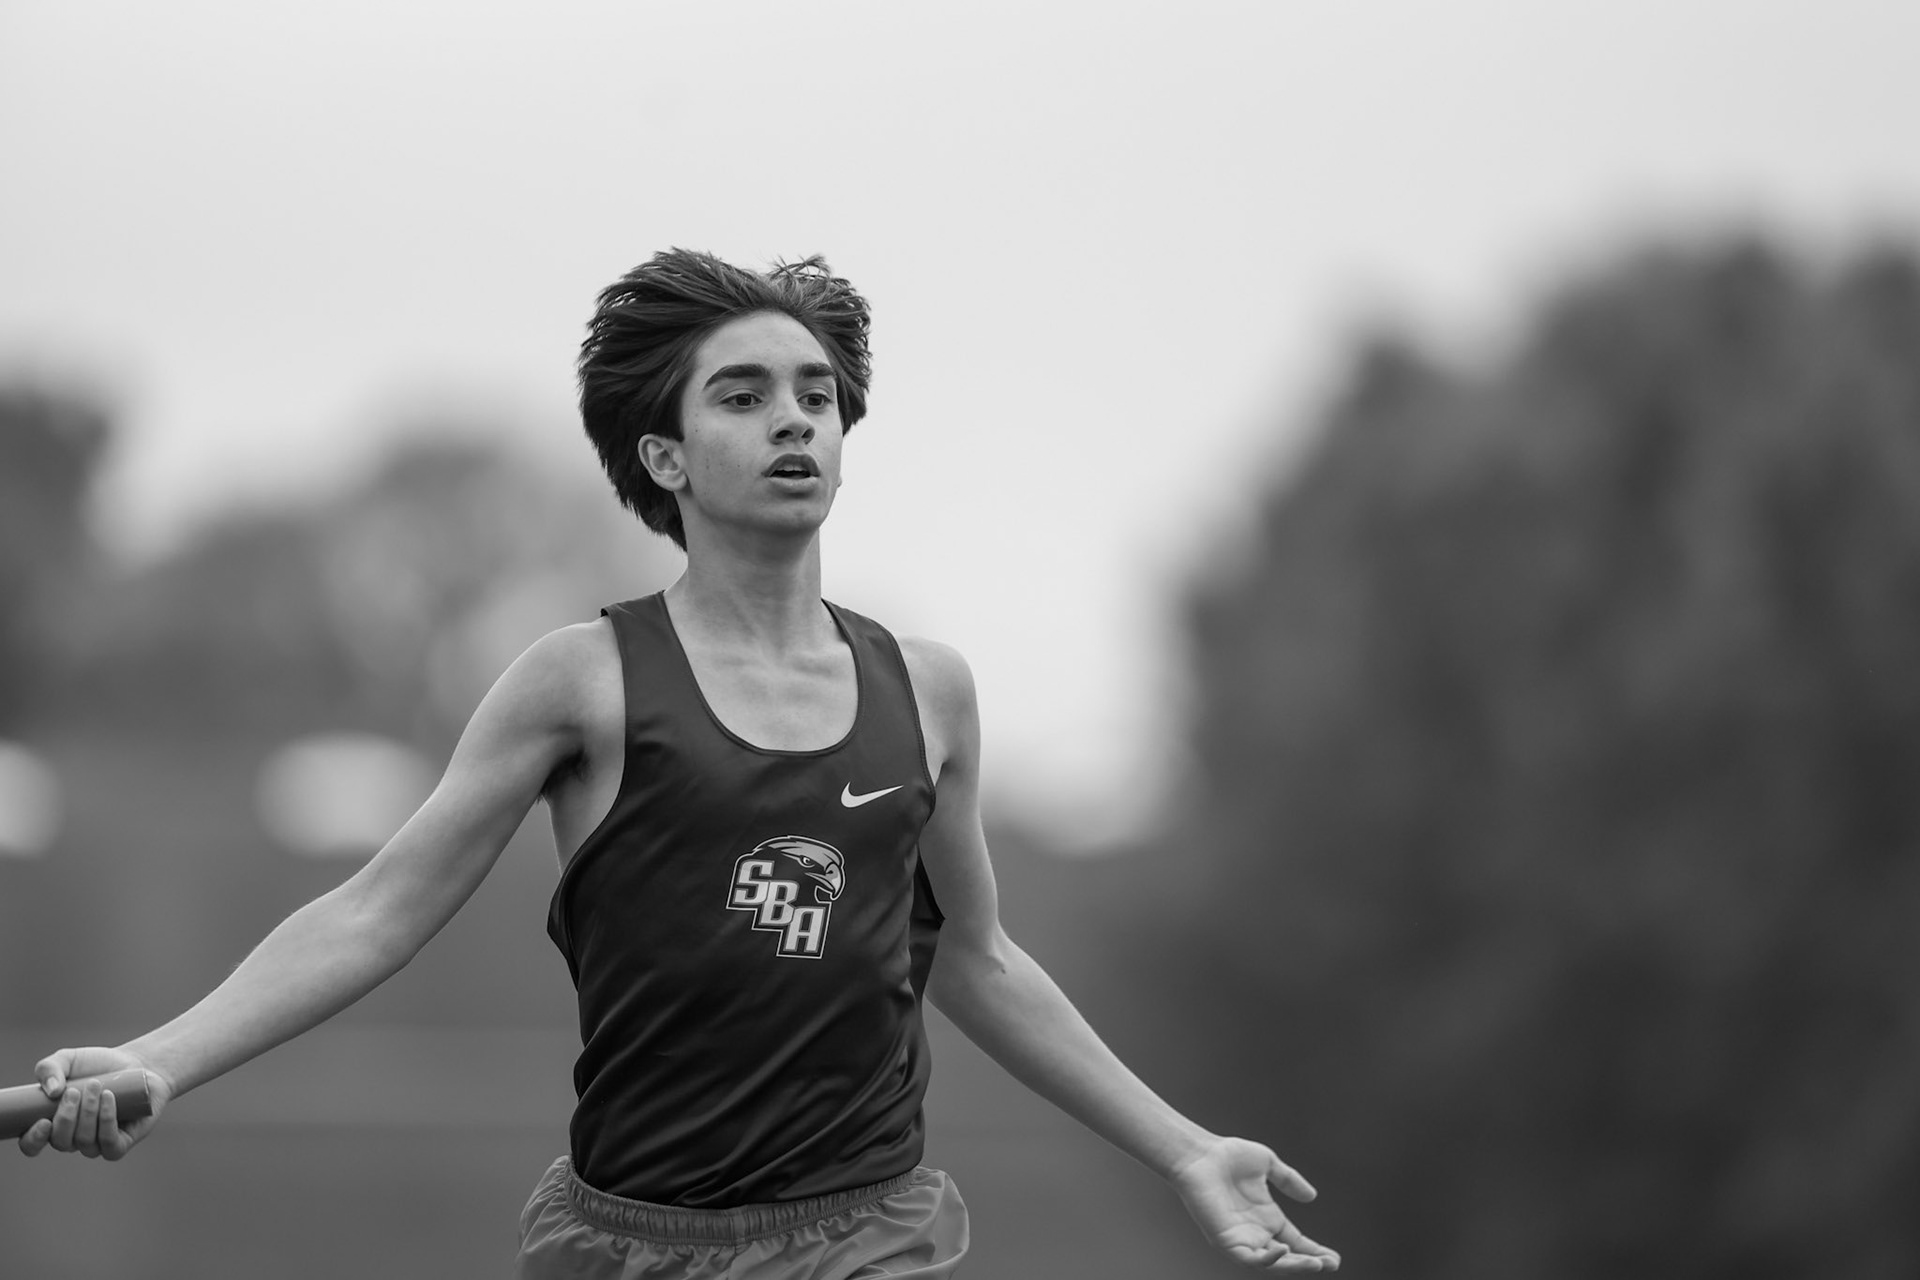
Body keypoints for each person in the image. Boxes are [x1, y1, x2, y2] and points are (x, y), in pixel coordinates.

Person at [19, 250, 1341, 1277]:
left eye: (817, 396)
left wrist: (1186, 1149)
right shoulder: (578, 680)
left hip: (868, 1226)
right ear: (666, 458)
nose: (796, 422)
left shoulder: (926, 690)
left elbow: (974, 959)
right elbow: (373, 912)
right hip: (625, 1241)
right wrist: (159, 1059)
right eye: (746, 394)